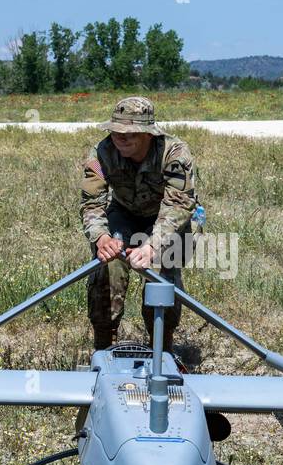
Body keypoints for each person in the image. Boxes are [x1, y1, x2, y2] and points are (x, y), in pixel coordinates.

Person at [80, 96, 198, 351]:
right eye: (115, 131)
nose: (120, 138)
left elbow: (178, 205)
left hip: (168, 221)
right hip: (124, 214)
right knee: (106, 266)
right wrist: (102, 238)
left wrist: (152, 246)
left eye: (129, 132)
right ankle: (103, 348)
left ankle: (162, 350)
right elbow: (92, 203)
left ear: (148, 133)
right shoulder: (101, 154)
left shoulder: (174, 154)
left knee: (161, 273)